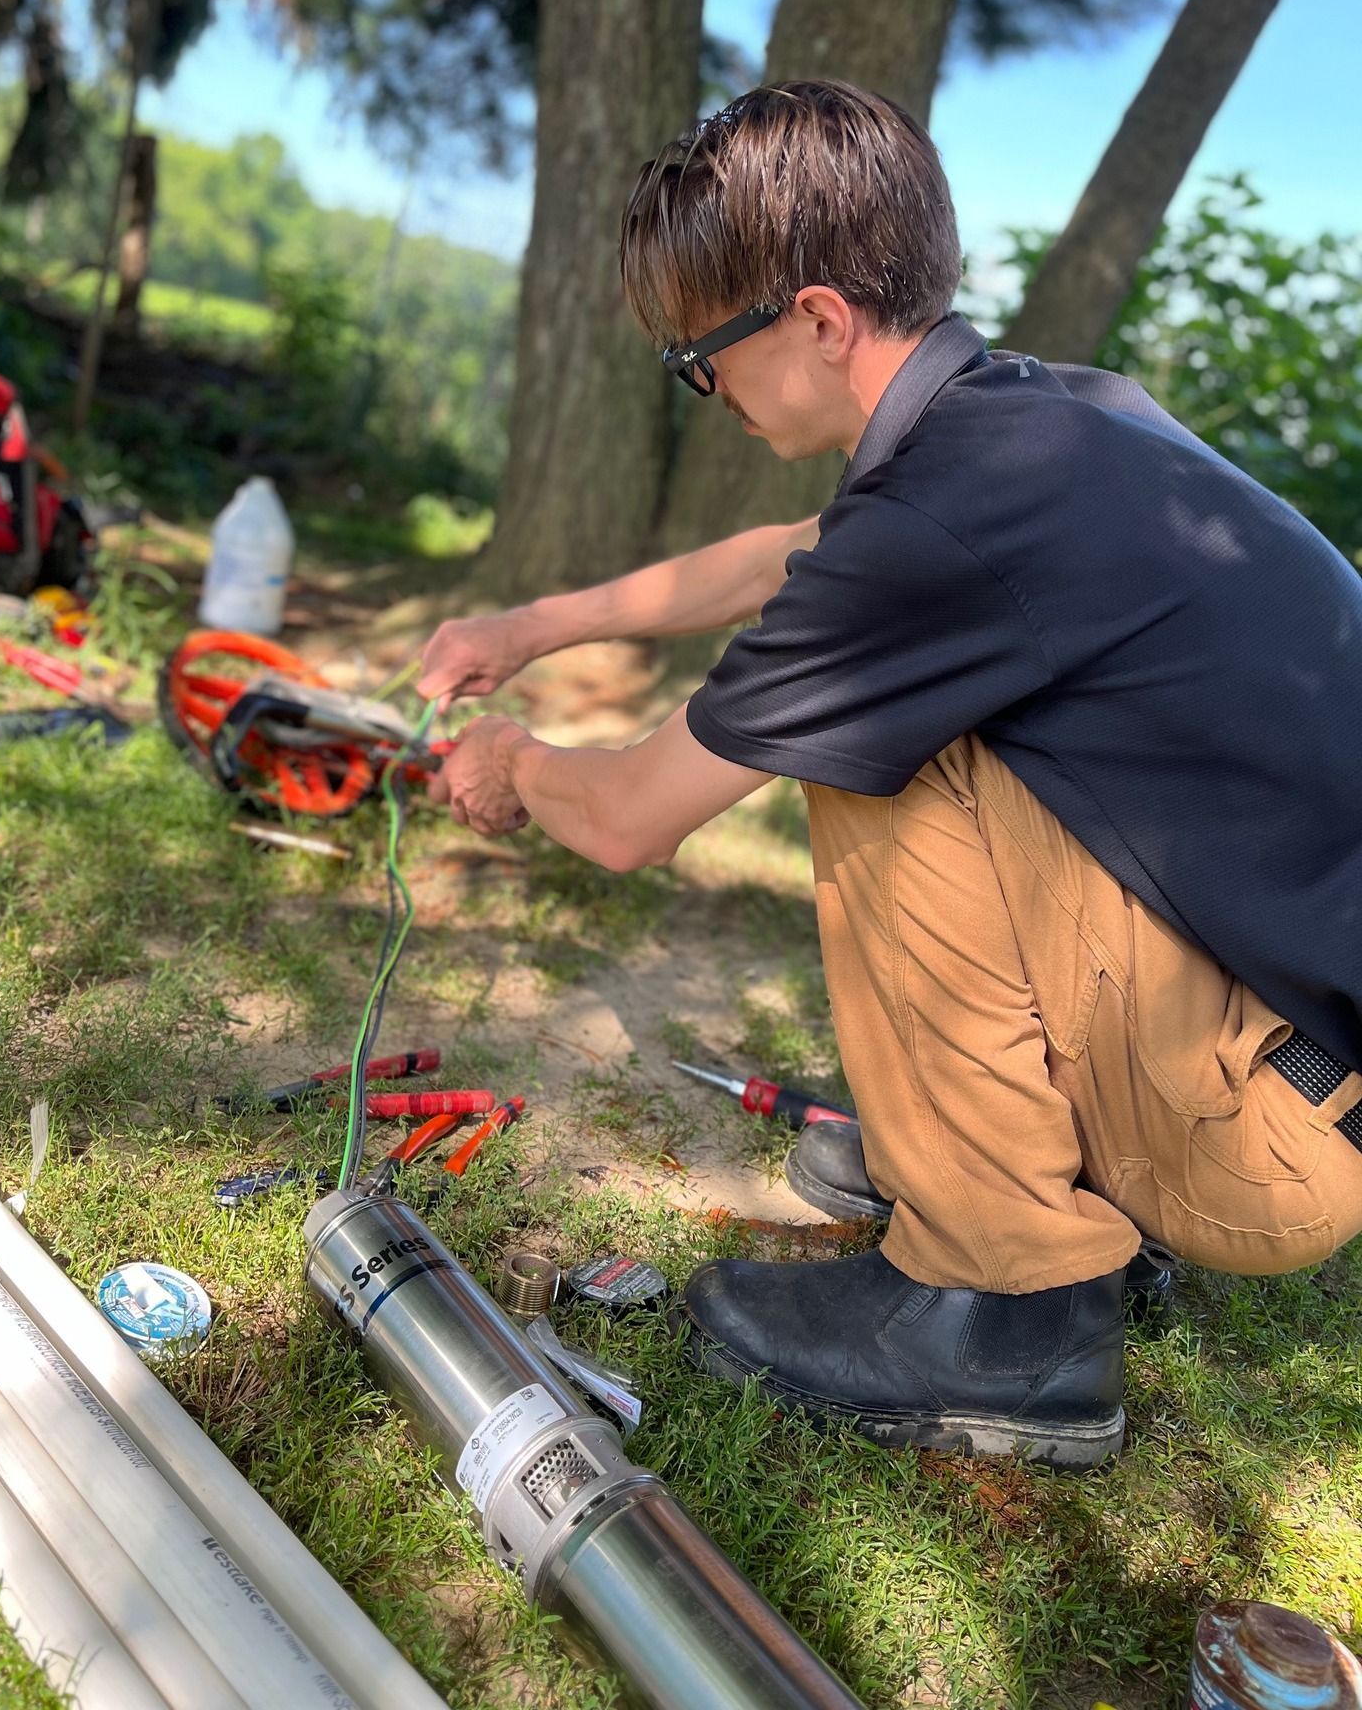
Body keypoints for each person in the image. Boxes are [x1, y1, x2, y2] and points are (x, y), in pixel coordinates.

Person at [418, 80, 1362, 1469]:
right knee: (905, 701)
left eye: (704, 360)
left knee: (868, 743)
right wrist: (530, 625)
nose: (707, 392)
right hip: (1300, 1069)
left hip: (1263, 1139)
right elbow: (778, 561)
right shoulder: (1032, 423)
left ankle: (1013, 1300)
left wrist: (512, 762)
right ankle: (1009, 1162)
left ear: (813, 320)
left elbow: (628, 819)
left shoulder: (943, 519)